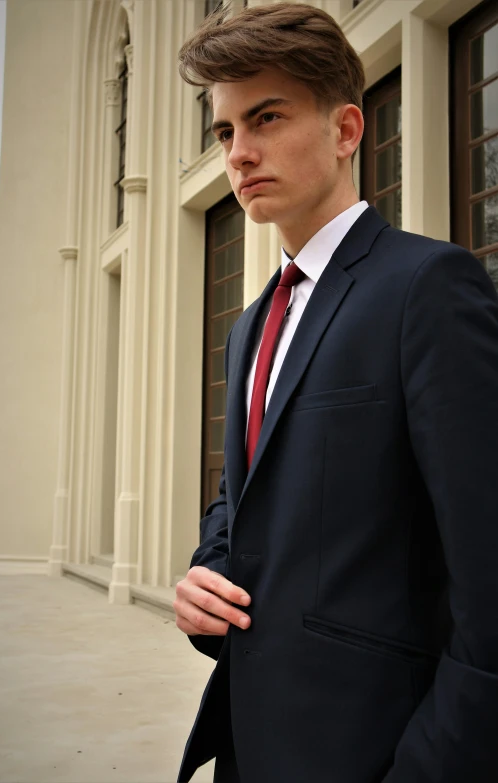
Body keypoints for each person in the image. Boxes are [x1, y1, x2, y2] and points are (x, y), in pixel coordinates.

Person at [173, 3, 498, 782]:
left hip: (370, 750)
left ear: (347, 130)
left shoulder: (427, 286)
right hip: (250, 742)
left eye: (267, 117)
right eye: (225, 132)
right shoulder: (251, 324)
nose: (240, 153)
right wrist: (204, 576)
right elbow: (242, 497)